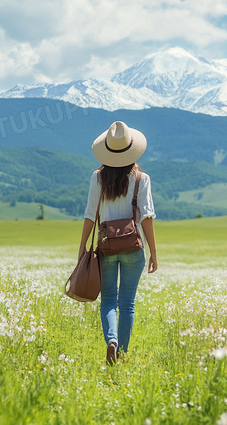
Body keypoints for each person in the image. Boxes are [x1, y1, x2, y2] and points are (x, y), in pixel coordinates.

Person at [80, 121, 158, 365]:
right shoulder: (141, 178)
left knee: (109, 300)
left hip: (106, 247)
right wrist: (154, 251)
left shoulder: (98, 177)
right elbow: (146, 217)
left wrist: (82, 248)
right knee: (128, 302)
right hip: (134, 247)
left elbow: (90, 214)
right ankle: (122, 354)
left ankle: (111, 342)